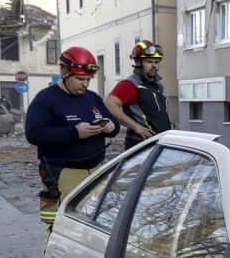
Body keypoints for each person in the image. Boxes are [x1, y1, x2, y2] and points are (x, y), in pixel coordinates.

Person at [25, 47, 120, 229]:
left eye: (88, 80)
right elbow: (33, 133)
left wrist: (111, 126)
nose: (85, 84)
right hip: (63, 173)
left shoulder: (93, 98)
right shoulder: (46, 99)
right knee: (61, 227)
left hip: (96, 170)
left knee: (93, 223)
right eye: (80, 79)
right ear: (64, 71)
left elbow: (114, 125)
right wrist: (74, 133)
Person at [105, 40, 172, 150]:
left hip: (160, 144)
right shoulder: (130, 84)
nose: (154, 65)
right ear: (138, 63)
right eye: (149, 62)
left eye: (156, 62)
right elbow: (109, 103)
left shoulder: (159, 85)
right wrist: (136, 127)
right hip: (140, 145)